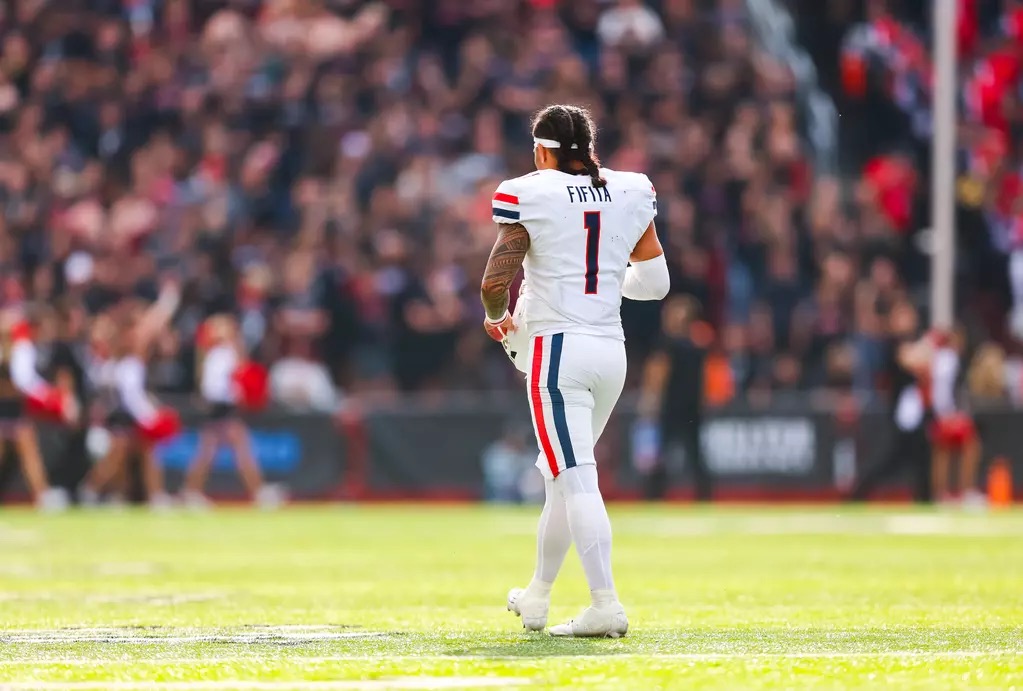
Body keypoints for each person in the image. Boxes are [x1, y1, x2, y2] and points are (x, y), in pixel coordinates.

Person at [480, 104, 669, 637]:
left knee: (577, 477)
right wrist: (603, 284)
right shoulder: (631, 189)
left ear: (542, 151)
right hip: (611, 353)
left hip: (559, 351)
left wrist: (496, 318)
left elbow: (494, 284)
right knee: (560, 477)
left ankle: (605, 603)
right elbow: (656, 284)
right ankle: (537, 595)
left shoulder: (531, 192)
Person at [79, 284, 183, 510]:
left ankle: (139, 495)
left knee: (142, 453)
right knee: (118, 455)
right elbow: (128, 392)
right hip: (121, 410)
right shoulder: (124, 353)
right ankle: (91, 491)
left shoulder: (131, 354)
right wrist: (168, 300)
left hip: (127, 408)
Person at [181, 314, 283, 509]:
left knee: (214, 451)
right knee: (231, 450)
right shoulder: (219, 354)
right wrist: (235, 396)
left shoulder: (223, 353)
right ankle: (258, 492)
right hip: (221, 408)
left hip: (222, 408)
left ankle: (192, 492)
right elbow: (214, 387)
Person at [848, 300, 931, 503]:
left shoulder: (916, 340)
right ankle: (860, 490)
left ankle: (925, 497)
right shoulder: (894, 344)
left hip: (918, 411)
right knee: (895, 457)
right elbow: (914, 363)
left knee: (921, 455)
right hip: (901, 411)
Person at [637, 295, 712, 501]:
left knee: (682, 453)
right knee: (671, 453)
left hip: (683, 407)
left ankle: (657, 496)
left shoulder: (683, 344)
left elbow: (657, 373)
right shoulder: (684, 344)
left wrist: (650, 399)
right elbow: (658, 373)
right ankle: (656, 495)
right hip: (675, 406)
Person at [0, 310, 76, 511]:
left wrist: (49, 397)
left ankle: (41, 494)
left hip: (13, 411)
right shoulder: (19, 350)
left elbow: (23, 382)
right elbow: (21, 383)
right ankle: (42, 494)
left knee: (29, 450)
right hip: (5, 410)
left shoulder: (20, 350)